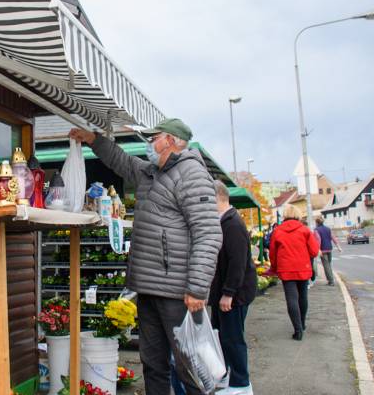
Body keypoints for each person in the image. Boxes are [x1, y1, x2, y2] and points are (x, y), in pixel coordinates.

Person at [69, 118, 222, 395]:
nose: (148, 144)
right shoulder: (151, 172)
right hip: (148, 287)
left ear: (171, 141)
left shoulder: (192, 175)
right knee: (152, 364)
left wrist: (197, 288)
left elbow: (208, 233)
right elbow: (122, 161)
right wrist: (93, 140)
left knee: (191, 367)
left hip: (178, 291)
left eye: (154, 138)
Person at [209, 180, 256, 395]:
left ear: (217, 197)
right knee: (223, 337)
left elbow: (238, 263)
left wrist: (228, 293)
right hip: (227, 292)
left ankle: (241, 384)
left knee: (233, 339)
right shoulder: (225, 221)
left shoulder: (232, 224)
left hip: (234, 295)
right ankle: (230, 377)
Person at [268, 204, 319, 340]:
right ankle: (302, 323)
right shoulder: (304, 230)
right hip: (303, 268)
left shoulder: (277, 231)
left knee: (291, 299)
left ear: (285, 215)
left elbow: (272, 253)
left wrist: (274, 268)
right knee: (303, 297)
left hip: (286, 269)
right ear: (298, 215)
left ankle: (297, 330)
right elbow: (314, 251)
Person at [314, 216, 342, 286]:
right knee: (328, 265)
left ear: (317, 222)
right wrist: (338, 247)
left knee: (326, 266)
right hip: (329, 249)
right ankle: (330, 280)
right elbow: (333, 238)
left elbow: (318, 240)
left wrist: (318, 250)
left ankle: (331, 281)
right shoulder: (328, 229)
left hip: (323, 250)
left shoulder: (316, 230)